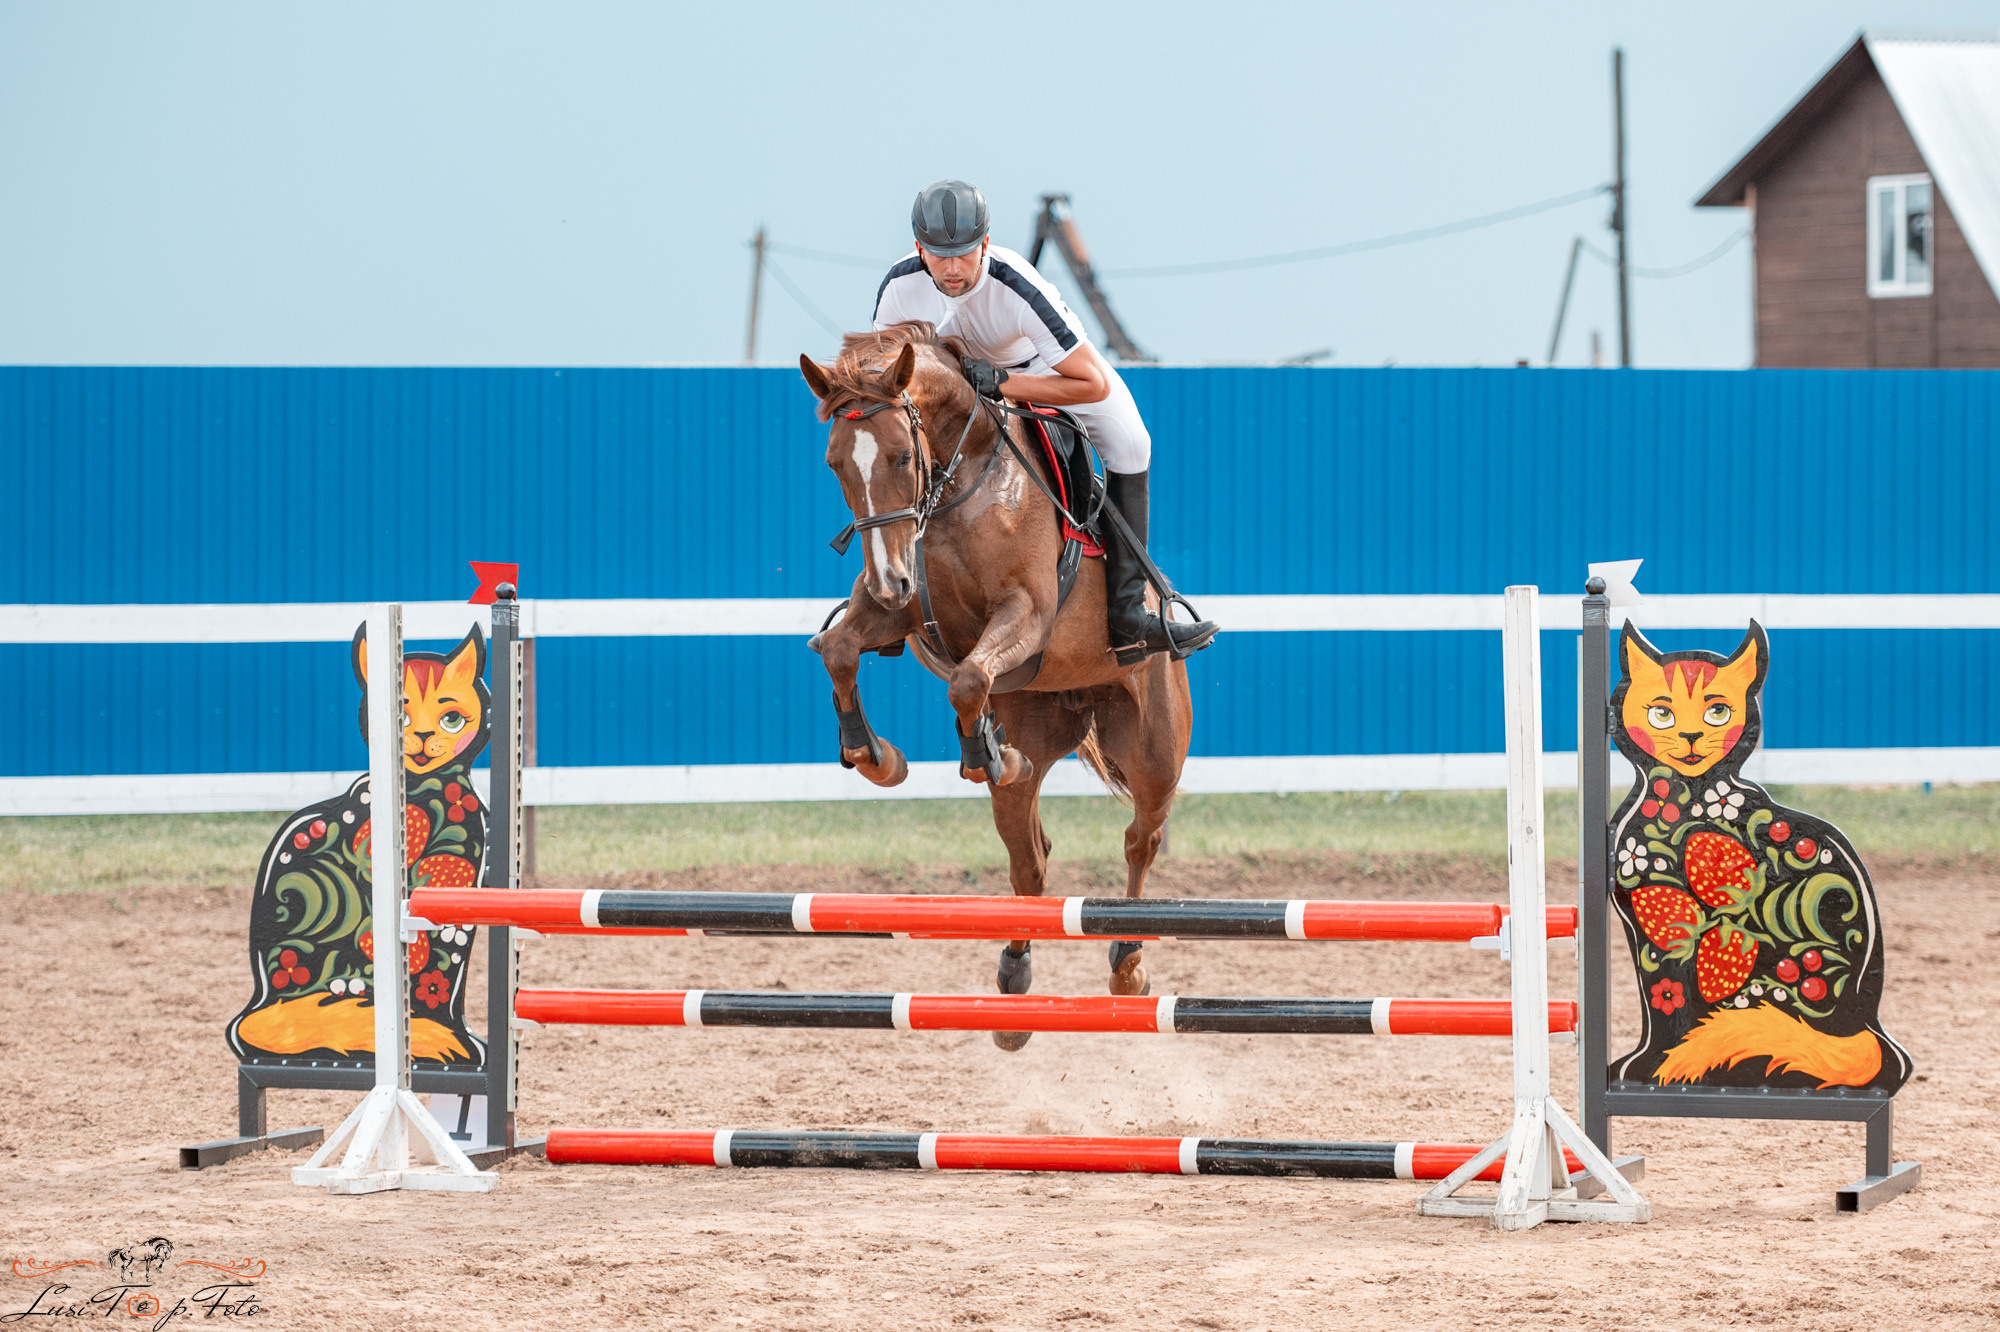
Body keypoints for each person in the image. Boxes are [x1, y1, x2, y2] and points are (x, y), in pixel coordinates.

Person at [872, 178, 1217, 667]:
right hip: (964, 388)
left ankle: (1127, 615)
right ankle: (888, 592)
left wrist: (1003, 384)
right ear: (918, 249)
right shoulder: (899, 290)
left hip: (1047, 371)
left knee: (1132, 443)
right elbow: (889, 390)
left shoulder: (1015, 284)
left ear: (985, 244)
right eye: (938, 254)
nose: (952, 268)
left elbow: (1090, 385)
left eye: (965, 254)